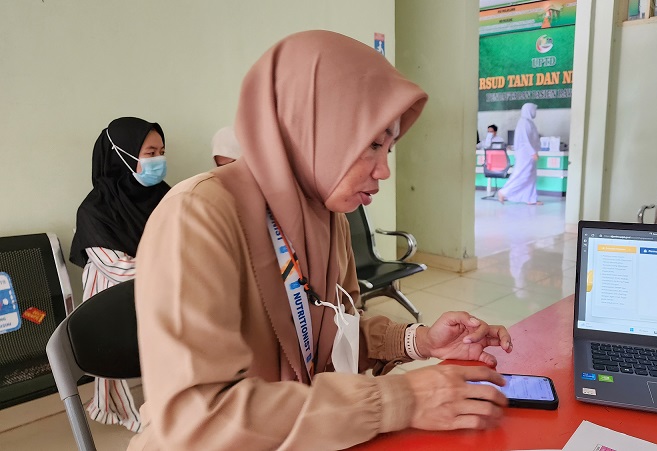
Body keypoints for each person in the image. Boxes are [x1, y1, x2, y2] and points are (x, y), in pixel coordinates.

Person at [128, 31, 513, 450]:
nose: (384, 170)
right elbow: (200, 419)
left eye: (389, 148)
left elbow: (332, 337)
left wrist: (419, 341)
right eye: (371, 144)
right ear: (308, 128)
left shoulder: (327, 218)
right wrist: (398, 399)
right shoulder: (196, 215)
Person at [69, 117, 170, 433]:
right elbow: (118, 267)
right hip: (114, 289)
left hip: (165, 283)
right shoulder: (94, 210)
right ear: (121, 155)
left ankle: (172, 400)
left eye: (162, 152)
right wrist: (177, 267)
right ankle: (118, 408)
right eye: (150, 153)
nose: (159, 160)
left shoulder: (167, 196)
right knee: (114, 343)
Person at [498, 103, 543, 205]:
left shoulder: (529, 122)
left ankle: (530, 198)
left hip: (529, 154)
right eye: (533, 110)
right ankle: (504, 192)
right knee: (523, 175)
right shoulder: (524, 122)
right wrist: (532, 152)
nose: (535, 112)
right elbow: (525, 140)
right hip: (525, 154)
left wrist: (535, 151)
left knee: (531, 176)